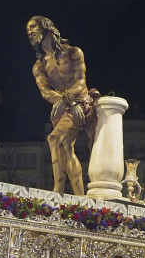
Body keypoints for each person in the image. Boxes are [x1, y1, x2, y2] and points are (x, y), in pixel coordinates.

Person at [26, 16, 98, 195]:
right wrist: (63, 101)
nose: (29, 31)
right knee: (66, 145)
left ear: (46, 27)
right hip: (64, 107)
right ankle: (79, 196)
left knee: (54, 139)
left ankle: (58, 191)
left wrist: (66, 100)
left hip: (83, 103)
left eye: (33, 26)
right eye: (28, 29)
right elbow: (44, 92)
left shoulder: (73, 52)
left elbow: (81, 83)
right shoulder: (39, 66)